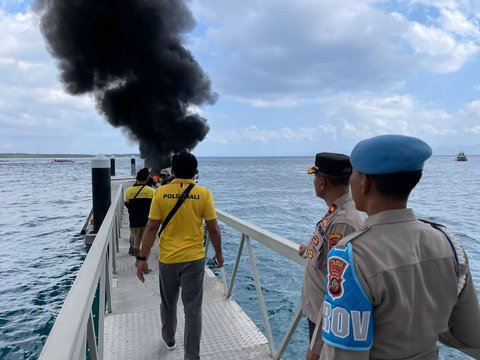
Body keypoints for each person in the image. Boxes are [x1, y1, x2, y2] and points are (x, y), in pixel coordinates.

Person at [311, 134, 480, 360]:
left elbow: (343, 355)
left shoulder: (351, 256)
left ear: (364, 182)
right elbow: (470, 335)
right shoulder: (449, 243)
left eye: (354, 174)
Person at [136, 151, 223, 360]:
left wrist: (142, 259)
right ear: (195, 172)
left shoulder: (161, 193)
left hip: (168, 259)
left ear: (172, 171)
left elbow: (150, 228)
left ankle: (169, 338)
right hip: (194, 259)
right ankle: (192, 356)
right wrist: (219, 253)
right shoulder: (203, 193)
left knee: (168, 303)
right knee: (193, 309)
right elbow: (213, 228)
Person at [301, 153, 364, 359]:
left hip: (326, 321)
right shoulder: (336, 212)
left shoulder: (343, 222)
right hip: (319, 315)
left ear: (321, 182)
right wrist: (307, 249)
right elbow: (327, 253)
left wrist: (317, 347)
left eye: (315, 178)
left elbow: (339, 286)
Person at [124, 167, 155, 272]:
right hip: (148, 222)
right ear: (147, 179)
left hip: (134, 221)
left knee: (135, 244)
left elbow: (127, 205)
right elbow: (154, 207)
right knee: (148, 244)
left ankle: (138, 261)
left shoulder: (129, 191)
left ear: (136, 178)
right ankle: (144, 264)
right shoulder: (151, 191)